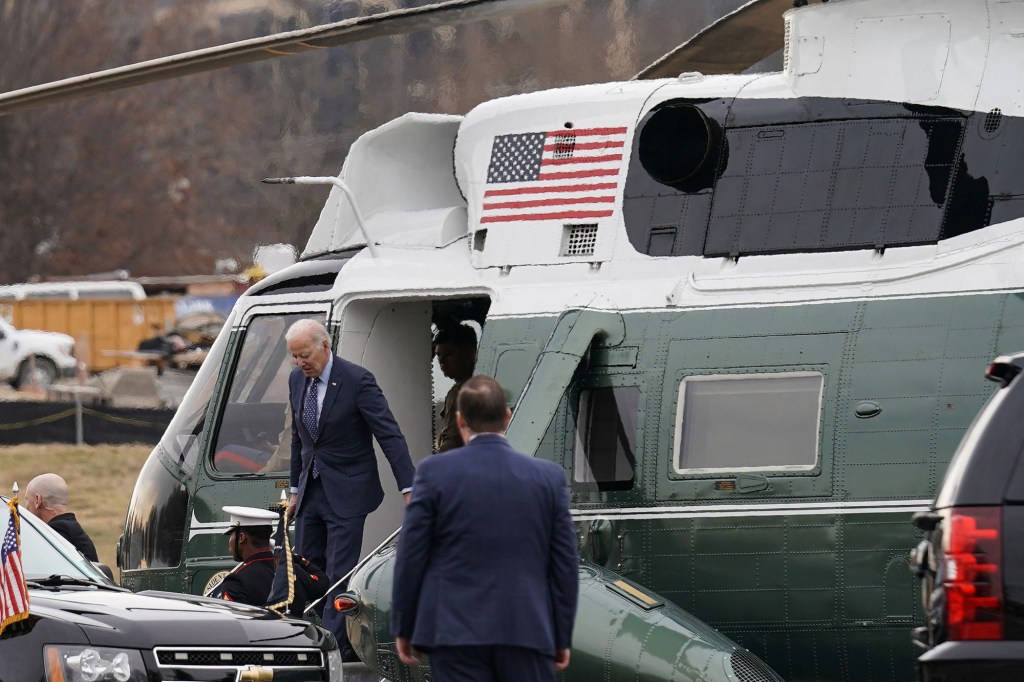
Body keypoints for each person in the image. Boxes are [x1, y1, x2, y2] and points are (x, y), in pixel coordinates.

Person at [391, 375, 579, 682]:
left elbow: (412, 555)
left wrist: (405, 624)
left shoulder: (433, 473)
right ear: (507, 416)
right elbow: (564, 565)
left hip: (453, 632)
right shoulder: (548, 478)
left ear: (460, 419)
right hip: (527, 630)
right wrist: (561, 632)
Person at [285, 318, 416, 659]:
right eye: (294, 356)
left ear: (324, 346)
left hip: (349, 490)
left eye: (304, 355)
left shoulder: (358, 380)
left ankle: (329, 647)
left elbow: (389, 434)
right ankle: (297, 636)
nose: (300, 362)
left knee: (339, 573)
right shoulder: (296, 380)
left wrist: (408, 485)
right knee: (304, 567)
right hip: (311, 490)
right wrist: (294, 491)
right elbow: (299, 439)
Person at [207, 505, 278, 606]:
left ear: (241, 538)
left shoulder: (236, 582)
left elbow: (234, 621)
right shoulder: (290, 570)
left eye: (231, 534)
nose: (229, 541)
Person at [24, 473, 98, 562]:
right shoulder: (72, 531)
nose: (26, 506)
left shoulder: (54, 536)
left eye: (27, 500)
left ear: (38, 500)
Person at [432, 324, 477, 453]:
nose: (442, 362)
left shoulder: (462, 391)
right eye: (439, 356)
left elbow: (453, 441)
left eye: (449, 354)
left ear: (469, 355)